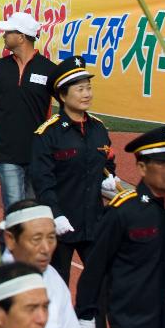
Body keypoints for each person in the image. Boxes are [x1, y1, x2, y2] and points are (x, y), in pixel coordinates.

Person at [75, 125, 165, 328]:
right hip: (131, 320)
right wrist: (85, 314)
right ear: (143, 168)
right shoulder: (123, 211)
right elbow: (96, 267)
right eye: (164, 163)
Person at [28, 57, 116, 282]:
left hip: (93, 222)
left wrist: (110, 175)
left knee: (101, 284)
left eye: (88, 88)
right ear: (63, 95)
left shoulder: (98, 128)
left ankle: (91, 319)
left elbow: (107, 158)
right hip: (61, 225)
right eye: (80, 89)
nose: (87, 94)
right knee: (57, 284)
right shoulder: (48, 134)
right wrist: (56, 215)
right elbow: (42, 180)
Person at [0, 11, 58, 209]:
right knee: (14, 208)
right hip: (6, 153)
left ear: (21, 36)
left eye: (8, 32)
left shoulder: (49, 70)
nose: (3, 35)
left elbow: (67, 106)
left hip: (38, 154)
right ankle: (8, 241)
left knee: (34, 210)